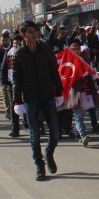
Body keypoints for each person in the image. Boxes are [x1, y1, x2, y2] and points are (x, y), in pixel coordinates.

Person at [13, 21, 64, 181]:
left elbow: (54, 72)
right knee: (34, 135)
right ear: (23, 35)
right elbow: (16, 79)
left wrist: (59, 91)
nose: (34, 33)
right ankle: (39, 166)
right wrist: (17, 101)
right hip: (30, 99)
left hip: (48, 96)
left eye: (35, 30)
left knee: (55, 132)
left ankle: (49, 153)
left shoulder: (45, 50)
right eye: (29, 31)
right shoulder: (19, 54)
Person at [0, 34, 23, 137]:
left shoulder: (25, 53)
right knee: (13, 105)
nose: (16, 45)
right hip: (11, 84)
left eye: (18, 43)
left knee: (27, 105)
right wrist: (3, 82)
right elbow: (3, 68)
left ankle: (29, 124)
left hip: (24, 83)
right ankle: (15, 128)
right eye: (14, 43)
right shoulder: (8, 53)